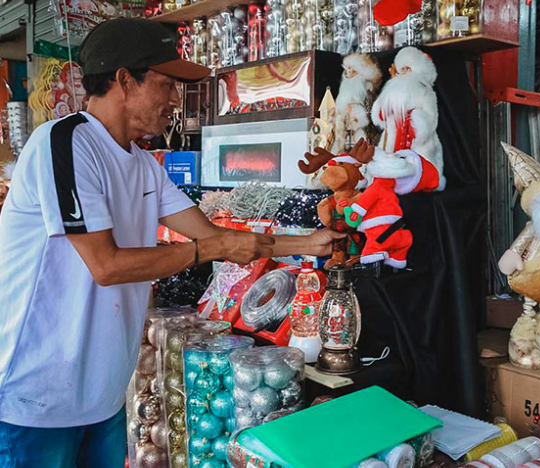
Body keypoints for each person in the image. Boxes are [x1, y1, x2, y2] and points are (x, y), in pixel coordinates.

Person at [0, 18, 341, 467]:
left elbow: (216, 236)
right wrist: (207, 251)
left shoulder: (144, 166)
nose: (176, 101)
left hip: (103, 395)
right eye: (167, 85)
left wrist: (310, 243)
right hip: (36, 396)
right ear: (124, 79)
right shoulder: (63, 143)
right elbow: (106, 266)